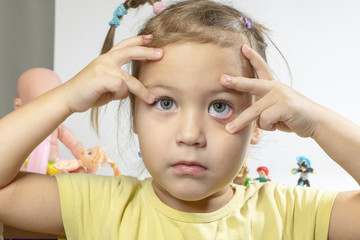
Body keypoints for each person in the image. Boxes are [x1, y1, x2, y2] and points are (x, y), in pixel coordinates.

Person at [0, 0, 359, 239]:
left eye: (220, 106)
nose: (190, 135)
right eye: (166, 102)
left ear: (258, 120)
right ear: (134, 118)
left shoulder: (290, 214)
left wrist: (315, 121)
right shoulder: (99, 206)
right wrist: (66, 96)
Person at [14, 68, 86, 174]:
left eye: (55, 103)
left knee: (79, 172)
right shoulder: (16, 128)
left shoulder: (56, 127)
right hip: (26, 166)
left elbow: (74, 144)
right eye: (40, 104)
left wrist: (85, 156)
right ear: (19, 106)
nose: (49, 111)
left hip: (55, 166)